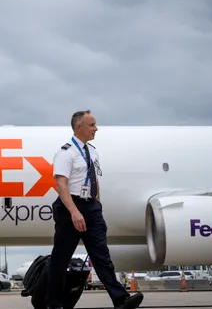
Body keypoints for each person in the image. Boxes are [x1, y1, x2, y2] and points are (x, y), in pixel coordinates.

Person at [47, 110, 144, 309]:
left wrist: (96, 203)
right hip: (70, 208)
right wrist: (75, 212)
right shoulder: (66, 152)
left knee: (101, 256)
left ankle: (120, 299)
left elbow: (94, 179)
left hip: (91, 207)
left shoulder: (92, 151)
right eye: (91, 125)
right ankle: (53, 302)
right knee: (61, 258)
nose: (96, 128)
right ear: (79, 127)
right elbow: (61, 185)